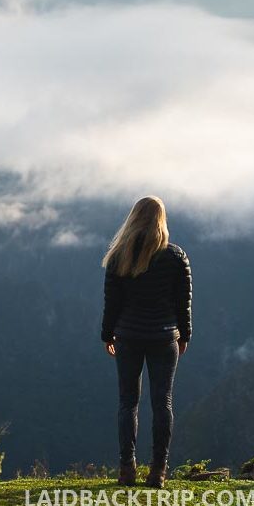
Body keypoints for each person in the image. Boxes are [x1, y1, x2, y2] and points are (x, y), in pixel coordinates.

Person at [100, 195, 192, 489]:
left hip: (128, 336)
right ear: (160, 221)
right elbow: (183, 303)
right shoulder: (176, 257)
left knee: (128, 403)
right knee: (162, 402)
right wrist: (185, 335)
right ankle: (158, 472)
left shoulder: (118, 257)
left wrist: (107, 334)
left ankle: (127, 469)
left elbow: (111, 302)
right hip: (164, 337)